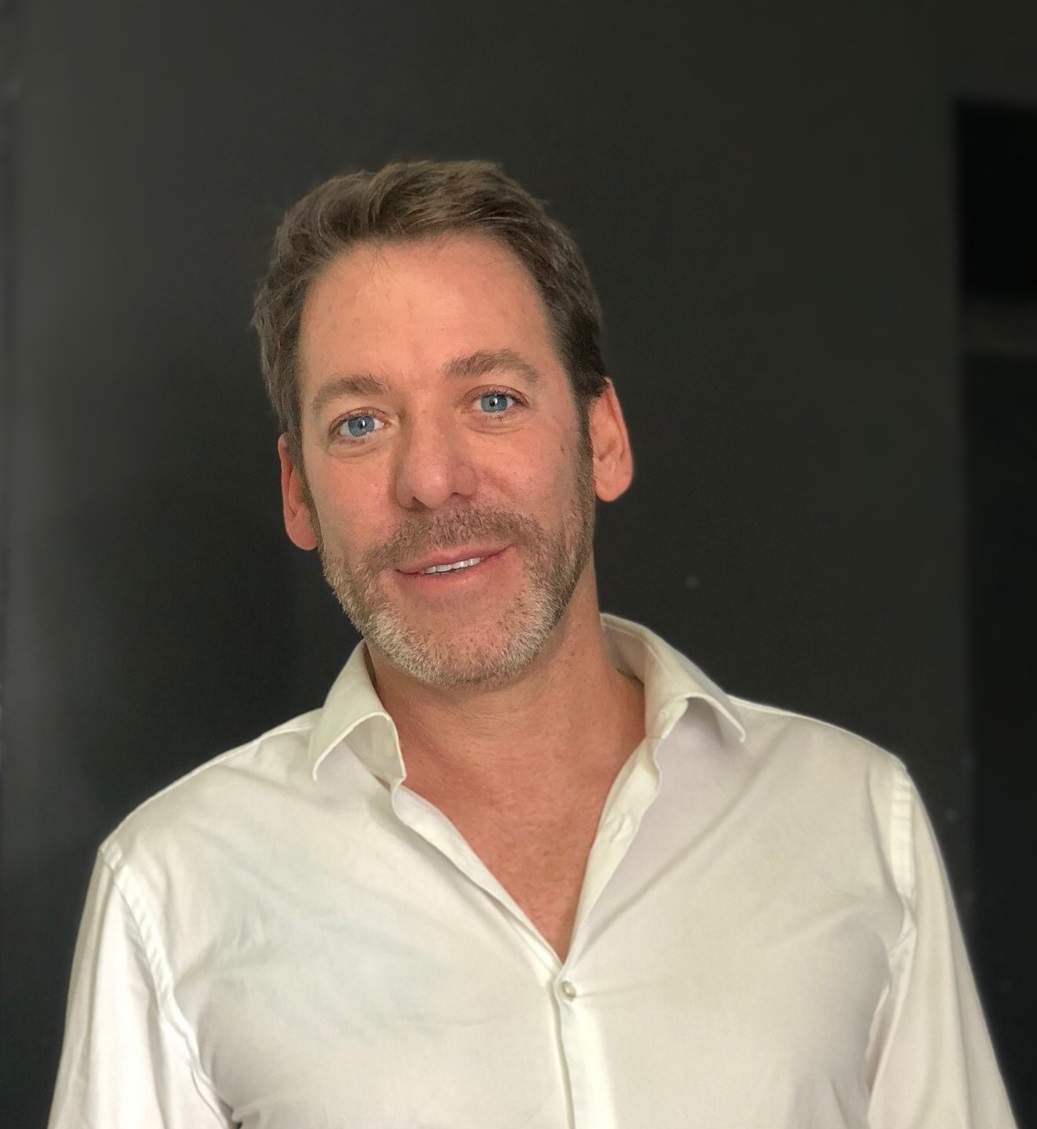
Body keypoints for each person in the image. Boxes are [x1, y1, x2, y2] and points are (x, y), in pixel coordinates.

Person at [48, 159, 1016, 1128]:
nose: (431, 479)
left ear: (604, 439)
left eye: (492, 400)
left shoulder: (852, 817)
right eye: (361, 422)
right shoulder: (172, 889)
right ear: (297, 491)